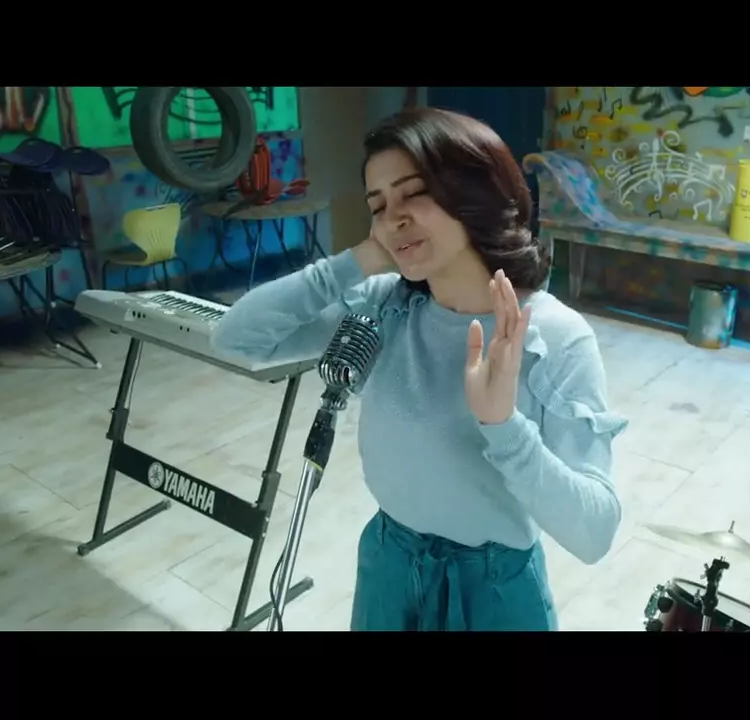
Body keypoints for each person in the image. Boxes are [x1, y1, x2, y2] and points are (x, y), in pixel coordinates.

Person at [211, 107, 627, 631]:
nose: (393, 218)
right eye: (378, 205)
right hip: (388, 565)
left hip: (494, 589)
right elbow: (236, 337)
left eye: (413, 193)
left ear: (475, 193)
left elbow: (594, 533)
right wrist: (357, 261)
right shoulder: (384, 306)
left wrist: (504, 428)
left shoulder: (553, 336)